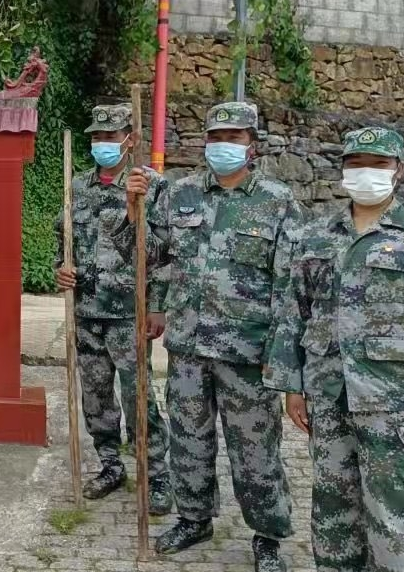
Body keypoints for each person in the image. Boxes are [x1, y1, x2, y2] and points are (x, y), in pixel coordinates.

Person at [122, 101, 298, 572]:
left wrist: (281, 357)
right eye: (216, 137)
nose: (223, 145)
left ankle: (268, 536)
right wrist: (133, 209)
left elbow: (289, 286)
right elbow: (149, 255)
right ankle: (194, 519)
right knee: (189, 441)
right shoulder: (181, 194)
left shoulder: (278, 202)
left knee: (255, 452)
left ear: (252, 144)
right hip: (188, 346)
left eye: (234, 137)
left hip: (248, 353)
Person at [265, 127, 404, 572]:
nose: (366, 172)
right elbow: (294, 310)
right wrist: (292, 386)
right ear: (343, 170)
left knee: (394, 512)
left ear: (399, 170)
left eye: (378, 163)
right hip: (328, 393)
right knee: (333, 505)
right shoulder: (316, 234)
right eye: (356, 163)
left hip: (394, 399)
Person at [54, 103, 172, 514]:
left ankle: (155, 474)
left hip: (128, 312)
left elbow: (162, 253)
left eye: (110, 136)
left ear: (130, 139)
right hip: (87, 310)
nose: (102, 143)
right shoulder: (78, 185)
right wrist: (61, 269)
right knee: (96, 396)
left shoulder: (150, 186)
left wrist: (157, 306)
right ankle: (110, 465)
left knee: (139, 397)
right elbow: (62, 239)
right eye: (96, 137)